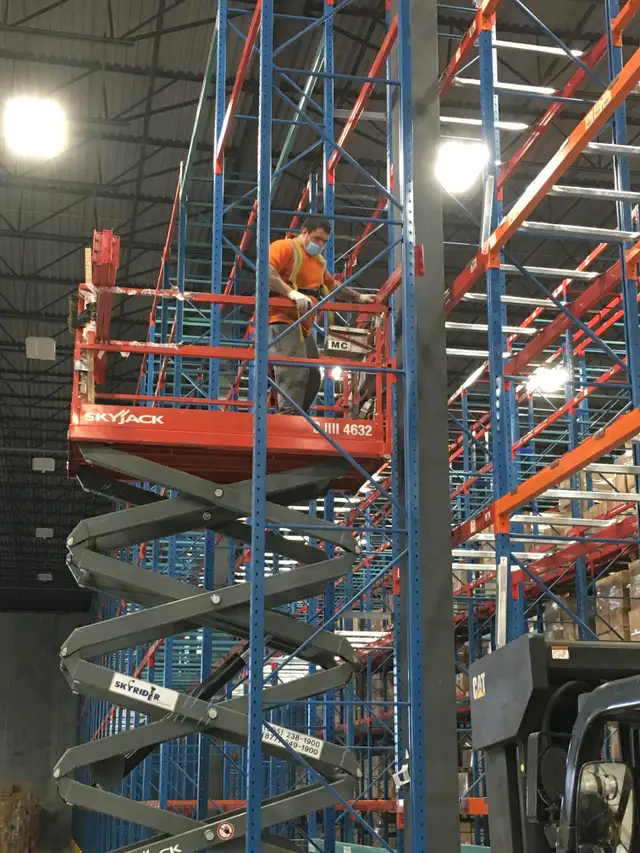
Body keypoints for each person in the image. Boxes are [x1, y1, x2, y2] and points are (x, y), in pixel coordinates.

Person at [267, 216, 373, 415]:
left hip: (302, 326)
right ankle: (288, 416)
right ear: (304, 232)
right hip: (278, 319)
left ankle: (297, 415)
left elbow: (332, 285)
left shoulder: (318, 262)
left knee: (314, 375)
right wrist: (291, 293)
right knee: (295, 370)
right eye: (317, 239)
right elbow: (267, 271)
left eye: (324, 241)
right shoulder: (285, 248)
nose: (320, 244)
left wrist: (358, 297)